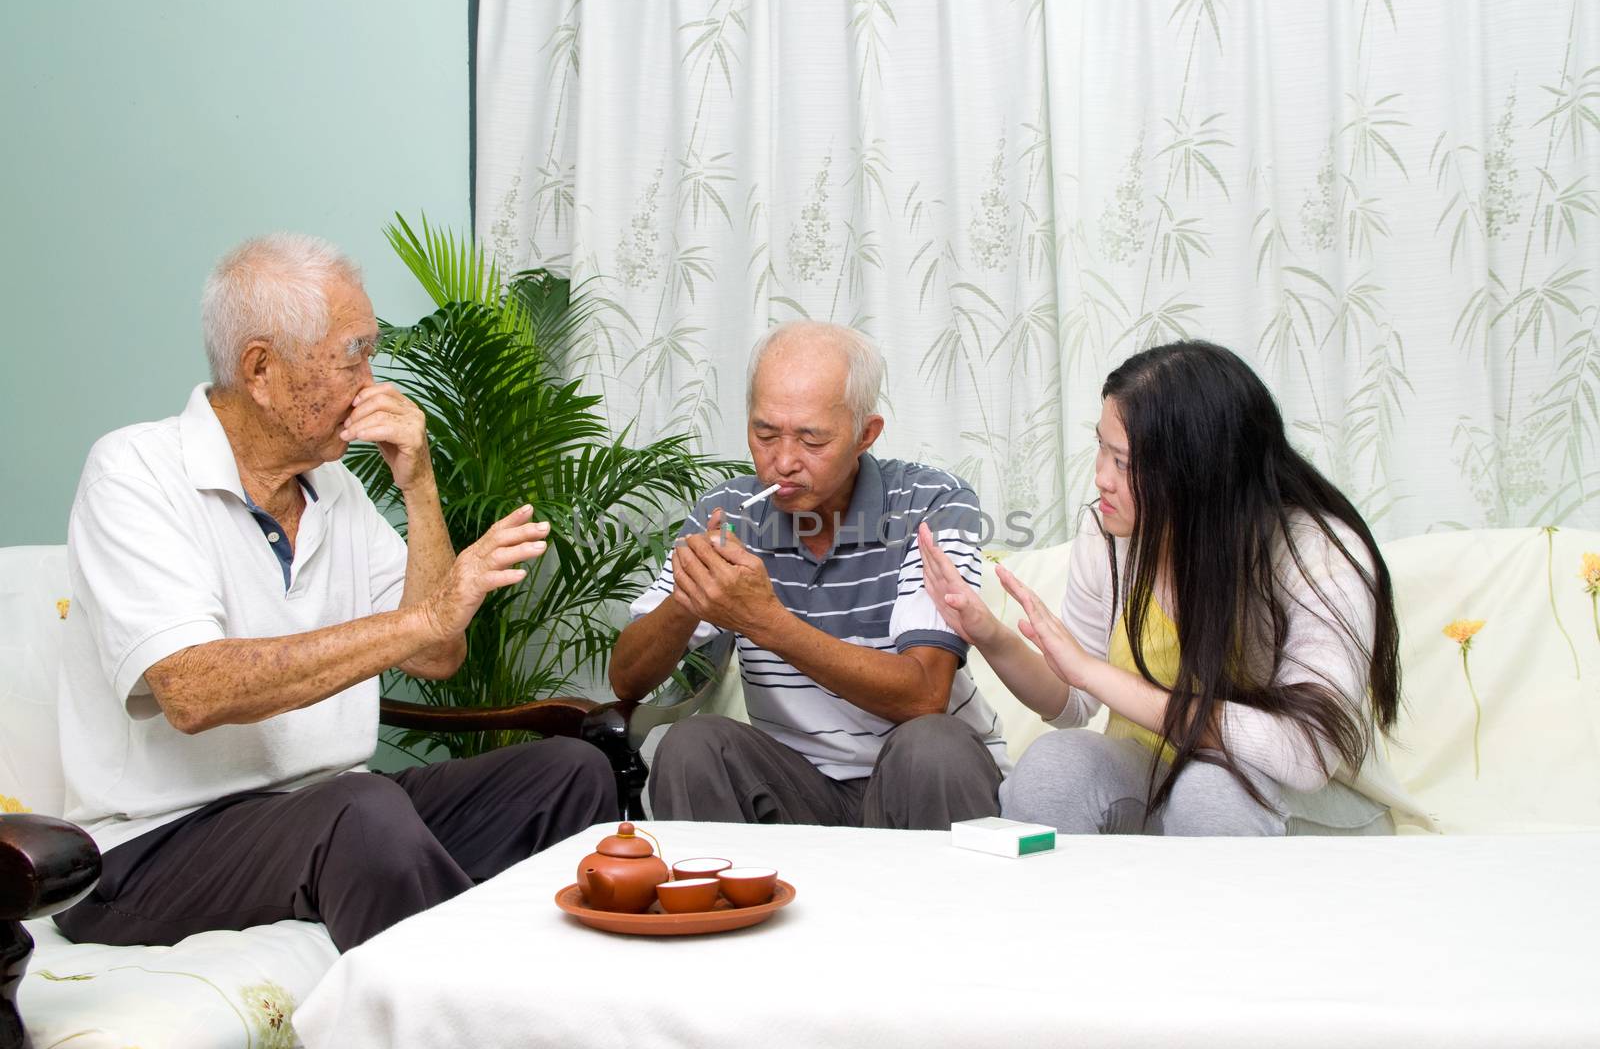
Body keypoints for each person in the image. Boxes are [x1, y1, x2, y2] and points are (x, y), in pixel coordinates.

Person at [55, 234, 616, 952]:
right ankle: (471, 1011)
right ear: (261, 368)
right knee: (362, 810)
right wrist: (428, 615)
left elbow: (437, 653)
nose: (372, 378)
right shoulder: (135, 471)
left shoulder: (337, 490)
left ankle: (534, 984)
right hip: (155, 848)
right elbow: (193, 691)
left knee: (568, 773)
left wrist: (418, 486)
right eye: (354, 353)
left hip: (326, 812)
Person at [918, 340, 1434, 835]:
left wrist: (1095, 674)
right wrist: (990, 634)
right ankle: (1068, 923)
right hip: (1163, 780)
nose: (1101, 478)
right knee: (1054, 768)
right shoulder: (1108, 535)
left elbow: (1303, 755)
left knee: (1210, 787)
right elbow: (1075, 701)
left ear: (1198, 471)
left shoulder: (1313, 553)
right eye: (1101, 448)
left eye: (1123, 462)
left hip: (1306, 803)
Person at [609, 321, 1007, 829]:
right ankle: (726, 910)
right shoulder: (726, 511)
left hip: (922, 776)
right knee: (692, 745)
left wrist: (764, 620)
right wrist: (689, 598)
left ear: (866, 434)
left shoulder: (931, 503)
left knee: (934, 744)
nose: (783, 463)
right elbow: (626, 679)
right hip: (795, 783)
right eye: (764, 433)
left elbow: (924, 694)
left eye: (812, 439)